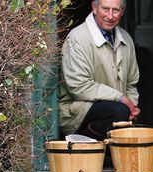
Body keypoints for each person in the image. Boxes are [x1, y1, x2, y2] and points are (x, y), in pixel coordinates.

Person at [59, 0, 141, 141]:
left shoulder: (126, 38)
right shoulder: (77, 38)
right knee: (119, 111)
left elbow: (131, 83)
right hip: (77, 111)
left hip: (114, 109)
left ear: (122, 12)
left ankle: (106, 151)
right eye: (105, 9)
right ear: (94, 8)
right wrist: (121, 99)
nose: (110, 16)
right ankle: (80, 141)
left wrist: (132, 107)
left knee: (124, 114)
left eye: (115, 10)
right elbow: (80, 87)